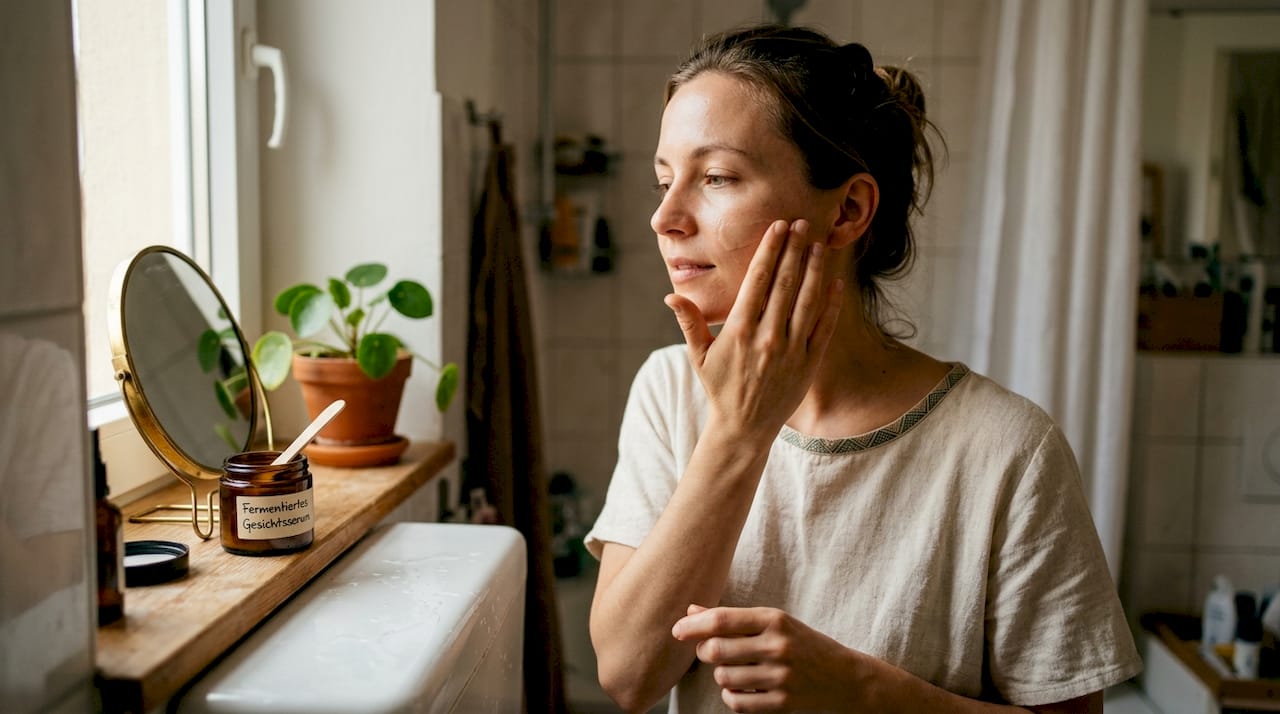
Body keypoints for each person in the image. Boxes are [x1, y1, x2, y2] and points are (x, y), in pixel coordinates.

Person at [582, 24, 1142, 714]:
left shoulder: (1009, 450)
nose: (664, 217)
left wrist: (862, 692)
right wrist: (739, 430)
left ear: (848, 209)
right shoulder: (669, 392)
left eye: (717, 177)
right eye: (665, 180)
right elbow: (628, 676)